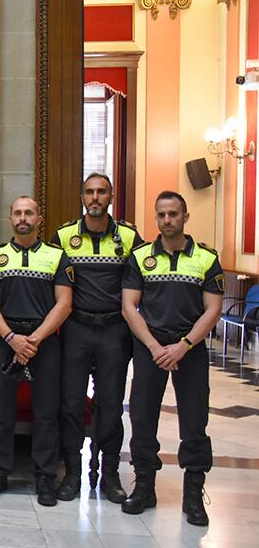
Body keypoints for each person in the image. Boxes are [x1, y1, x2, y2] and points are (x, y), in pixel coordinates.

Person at [121, 191, 222, 526]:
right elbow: (129, 307)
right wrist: (153, 347)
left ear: (185, 217)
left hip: (189, 350)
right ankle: (145, 486)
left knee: (194, 422)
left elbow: (213, 309)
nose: (167, 220)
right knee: (142, 417)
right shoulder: (140, 257)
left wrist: (184, 345)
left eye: (173, 214)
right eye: (161, 214)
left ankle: (193, 494)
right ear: (156, 217)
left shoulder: (206, 258)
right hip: (150, 348)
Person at [51, 173, 143, 502]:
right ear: (81, 196)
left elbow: (143, 284)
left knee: (111, 407)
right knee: (72, 405)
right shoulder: (63, 236)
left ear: (111, 196)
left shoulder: (130, 237)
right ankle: (73, 473)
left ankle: (110, 476)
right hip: (76, 329)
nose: (95, 197)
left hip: (114, 331)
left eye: (101, 192)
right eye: (89, 192)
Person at [0, 196, 73, 506]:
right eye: (17, 213)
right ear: (10, 220)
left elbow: (64, 303)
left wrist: (32, 340)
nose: (23, 218)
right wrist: (11, 338)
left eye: (29, 213)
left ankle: (45, 476)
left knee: (46, 412)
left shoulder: (56, 256)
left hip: (43, 341)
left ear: (39, 219)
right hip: (5, 338)